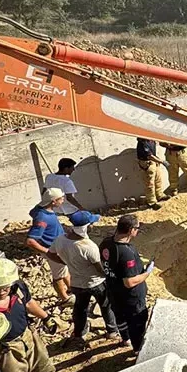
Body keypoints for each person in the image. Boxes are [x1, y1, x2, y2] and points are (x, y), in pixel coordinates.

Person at [47, 210, 120, 346]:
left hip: (76, 283)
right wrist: (111, 276)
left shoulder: (60, 239)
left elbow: (50, 254)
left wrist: (65, 262)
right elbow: (99, 269)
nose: (93, 225)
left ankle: (79, 334)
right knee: (106, 306)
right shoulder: (89, 247)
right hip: (96, 283)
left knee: (80, 309)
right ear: (86, 227)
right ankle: (112, 331)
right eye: (91, 223)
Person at [100, 214, 153, 354]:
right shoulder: (126, 252)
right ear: (130, 230)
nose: (137, 230)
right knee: (137, 324)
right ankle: (138, 350)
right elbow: (129, 282)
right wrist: (147, 273)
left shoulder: (106, 243)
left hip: (113, 291)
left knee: (120, 317)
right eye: (137, 228)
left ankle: (125, 339)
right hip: (131, 297)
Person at [26, 188, 72, 305]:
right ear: (53, 201)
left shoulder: (40, 209)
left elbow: (32, 212)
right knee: (58, 276)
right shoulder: (43, 218)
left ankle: (71, 288)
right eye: (61, 199)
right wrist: (48, 252)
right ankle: (65, 298)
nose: (63, 200)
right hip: (53, 250)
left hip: (58, 247)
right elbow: (30, 241)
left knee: (63, 269)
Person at [136, 138, 170, 210]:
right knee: (150, 184)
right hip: (147, 163)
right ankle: (151, 202)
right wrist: (162, 161)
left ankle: (160, 195)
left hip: (154, 162)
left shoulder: (152, 140)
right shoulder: (142, 143)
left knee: (158, 180)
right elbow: (149, 156)